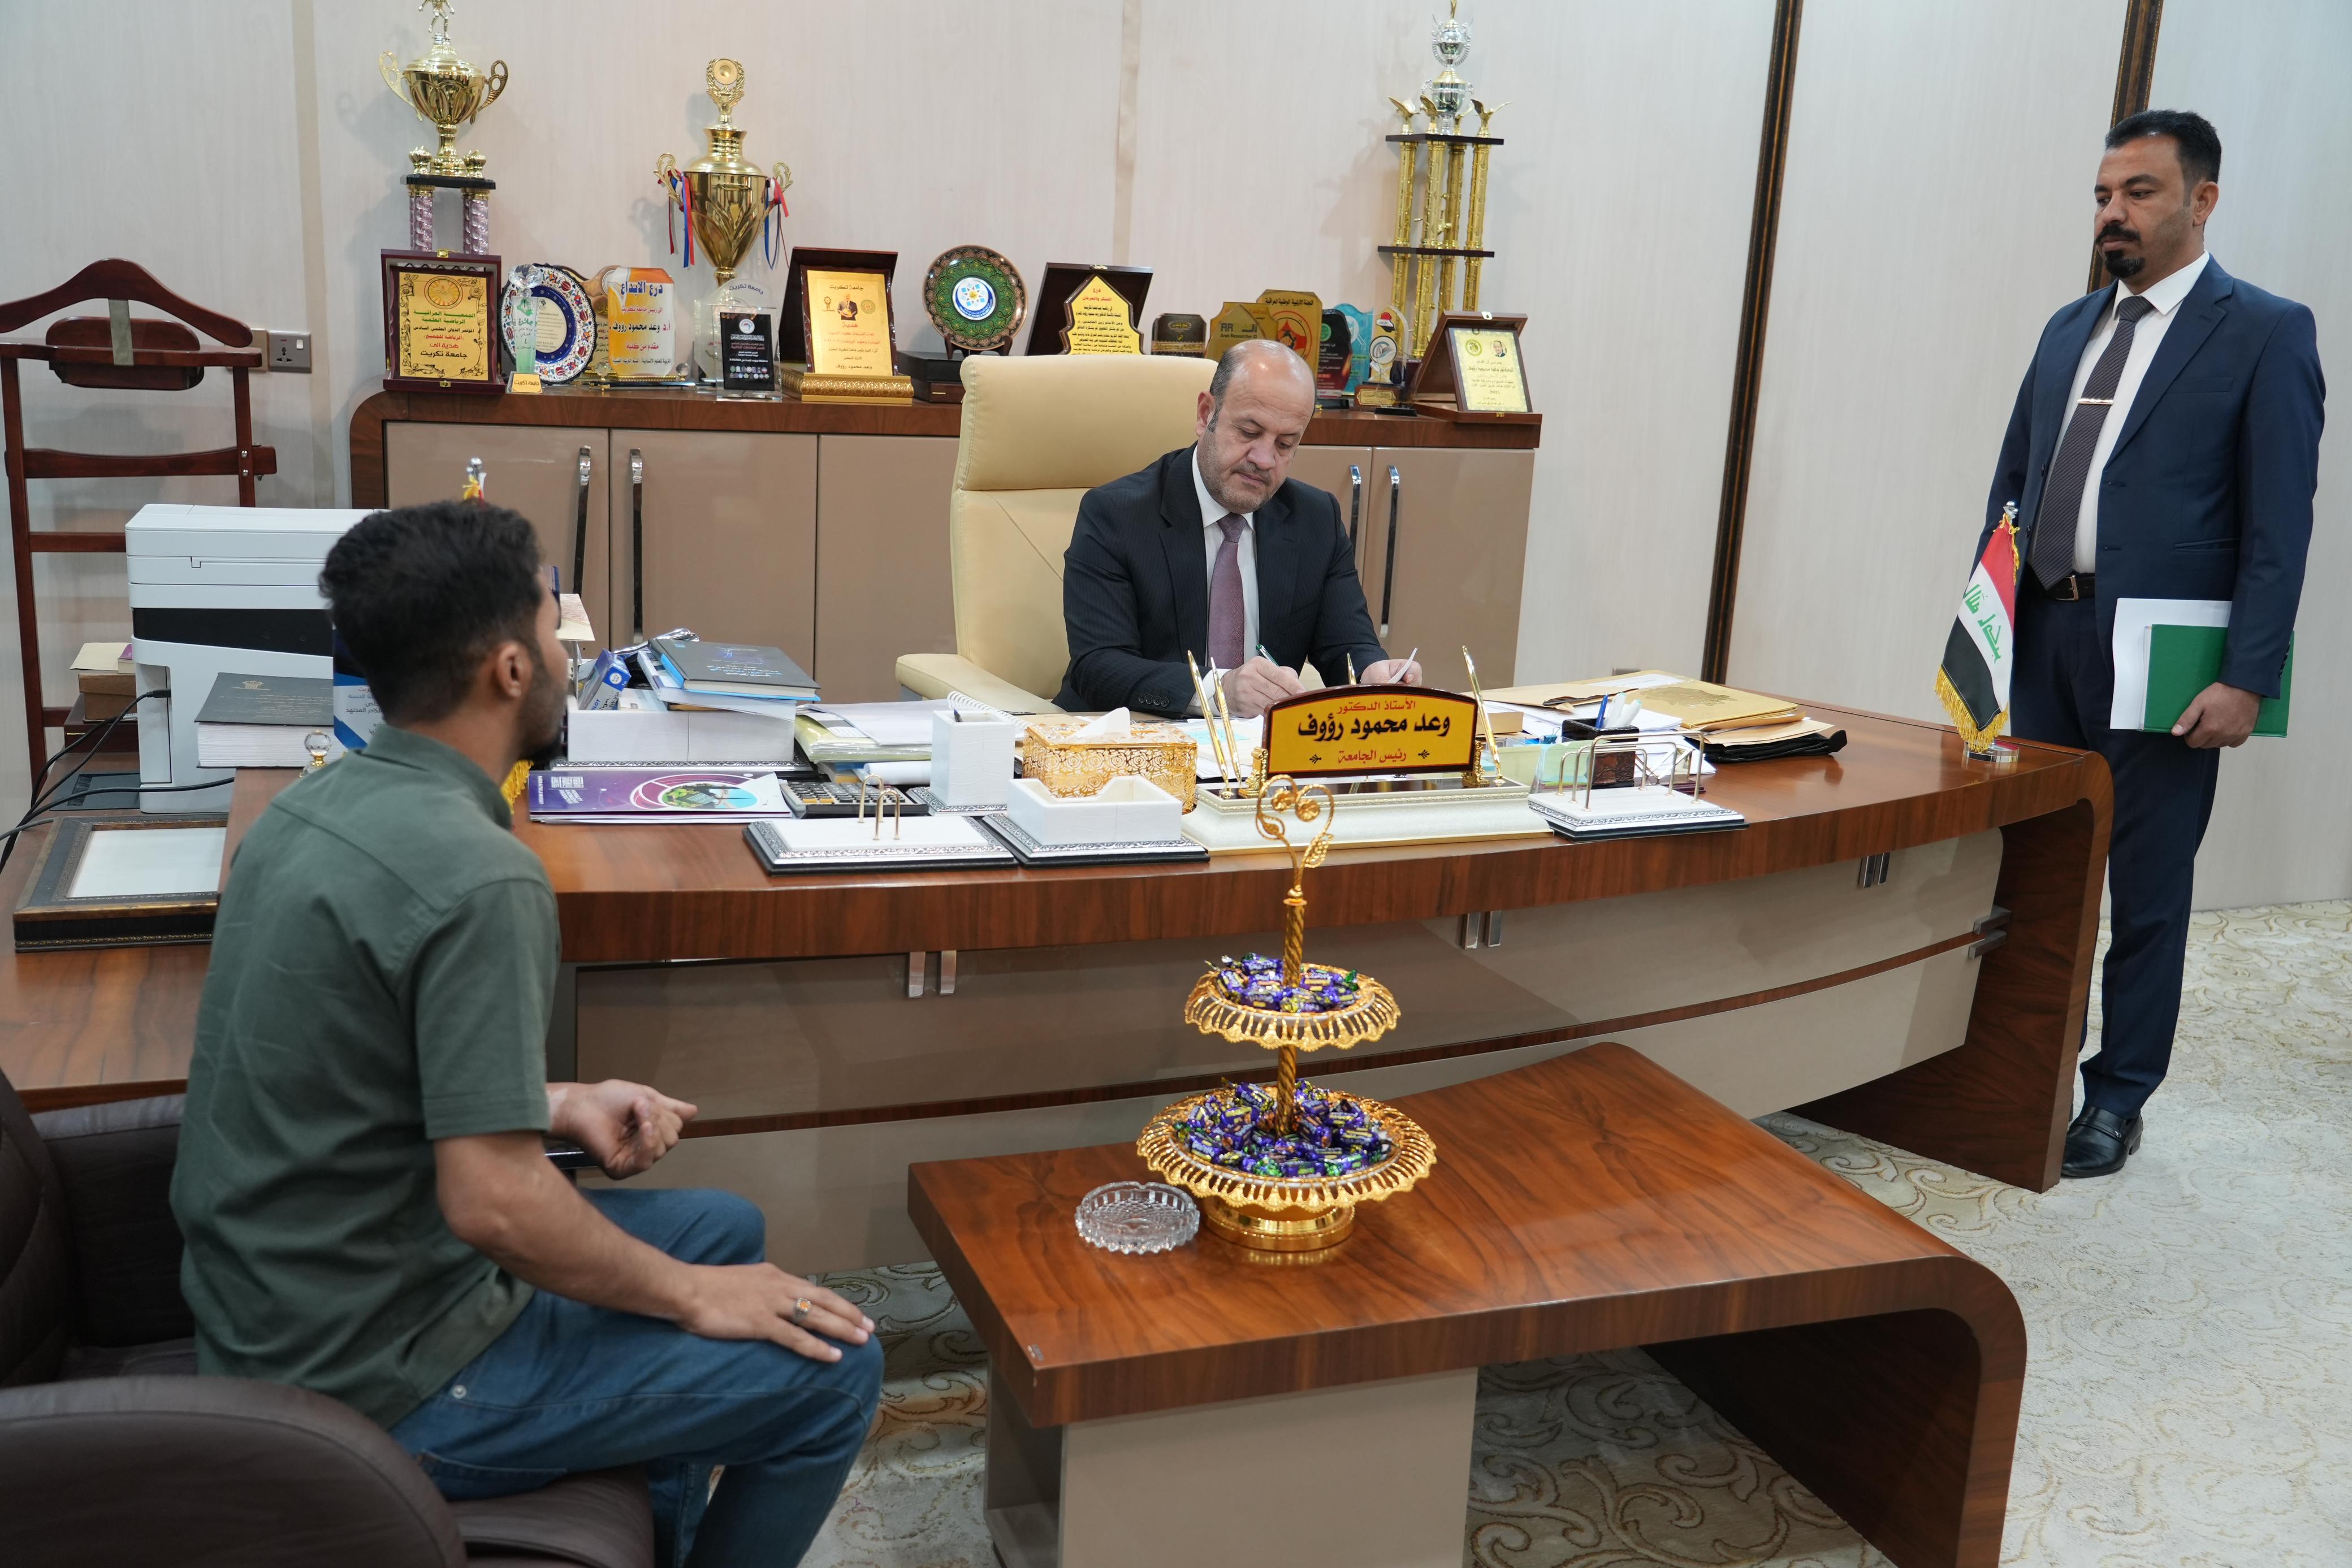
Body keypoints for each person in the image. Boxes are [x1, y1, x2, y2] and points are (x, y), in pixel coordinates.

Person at [170, 501, 882, 1567]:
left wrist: (553, 1100)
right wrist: (694, 1297)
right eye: (556, 634)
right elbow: (494, 1202)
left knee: (722, 1222)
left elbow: (345, 1073)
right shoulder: (482, 874)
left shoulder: (302, 812)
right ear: (508, 669)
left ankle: (660, 1534)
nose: (565, 658)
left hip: (284, 1308)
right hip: (381, 1374)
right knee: (835, 1371)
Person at [1982, 110, 2321, 1177]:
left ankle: (2117, 1095)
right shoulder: (2066, 327)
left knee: (2146, 886)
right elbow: (2012, 487)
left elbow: (2280, 527)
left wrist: (2247, 677)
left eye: (2139, 192)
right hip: (2045, 634)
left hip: (2166, 660)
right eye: (2103, 195)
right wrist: (1984, 634)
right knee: (2037, 873)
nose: (2113, 213)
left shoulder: (2265, 331)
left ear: (2202, 201)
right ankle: (2022, 1072)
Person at [1057, 339, 1422, 716]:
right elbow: (1098, 666)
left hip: (1259, 747)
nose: (1264, 460)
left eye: (1285, 444)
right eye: (1249, 432)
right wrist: (1218, 691)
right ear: (1206, 415)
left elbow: (1346, 644)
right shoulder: (1116, 514)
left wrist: (1372, 674)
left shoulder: (1316, 518)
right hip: (1133, 736)